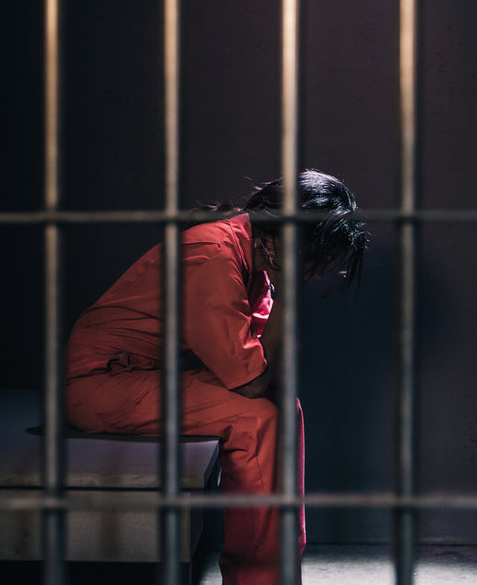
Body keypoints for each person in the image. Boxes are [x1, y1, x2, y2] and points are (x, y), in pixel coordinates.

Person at [64, 169, 367, 585]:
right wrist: (289, 292)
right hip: (100, 384)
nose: (317, 274)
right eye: (316, 261)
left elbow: (262, 366)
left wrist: (282, 290)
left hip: (141, 377)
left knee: (283, 404)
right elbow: (249, 382)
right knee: (256, 417)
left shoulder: (254, 258)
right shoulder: (215, 254)